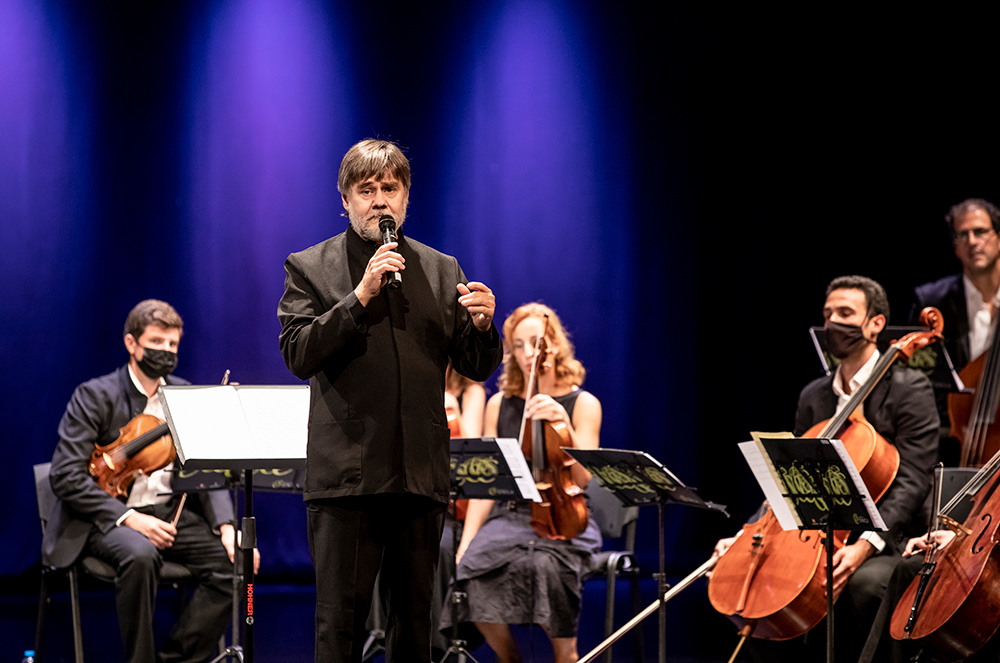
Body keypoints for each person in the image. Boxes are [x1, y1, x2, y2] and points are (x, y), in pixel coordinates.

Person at [276, 138, 503, 662]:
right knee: (340, 625)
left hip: (419, 473)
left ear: (405, 198)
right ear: (346, 200)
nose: (380, 200)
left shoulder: (441, 269)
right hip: (348, 479)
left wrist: (483, 327)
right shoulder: (310, 266)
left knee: (415, 624)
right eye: (366, 190)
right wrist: (359, 298)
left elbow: (474, 365)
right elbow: (298, 353)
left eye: (390, 188)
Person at [711, 275, 939, 663]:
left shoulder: (909, 388)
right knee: (747, 585)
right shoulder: (814, 395)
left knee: (863, 586)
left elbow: (913, 480)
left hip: (891, 536)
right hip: (816, 538)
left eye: (845, 313)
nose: (833, 323)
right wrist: (746, 534)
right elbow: (791, 480)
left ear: (876, 324)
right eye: (828, 314)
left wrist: (865, 545)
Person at [44, 299, 255, 663]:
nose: (166, 351)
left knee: (237, 560)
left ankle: (176, 659)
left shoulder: (184, 395)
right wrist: (131, 519)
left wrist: (225, 526)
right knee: (141, 555)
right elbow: (65, 474)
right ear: (131, 343)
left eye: (173, 344)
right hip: (107, 517)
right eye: (156, 342)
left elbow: (206, 468)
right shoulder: (95, 395)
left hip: (168, 514)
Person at [443, 302, 602, 663]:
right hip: (511, 516)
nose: (529, 352)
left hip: (565, 518)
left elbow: (583, 479)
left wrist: (564, 423)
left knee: (545, 567)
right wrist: (467, 541)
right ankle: (510, 659)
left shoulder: (583, 403)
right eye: (518, 345)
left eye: (536, 342)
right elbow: (487, 483)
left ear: (554, 345)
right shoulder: (500, 405)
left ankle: (566, 655)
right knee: (469, 572)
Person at [910, 198, 1000, 465]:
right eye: (963, 235)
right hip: (949, 441)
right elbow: (916, 377)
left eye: (980, 232)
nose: (972, 241)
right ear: (955, 246)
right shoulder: (931, 300)